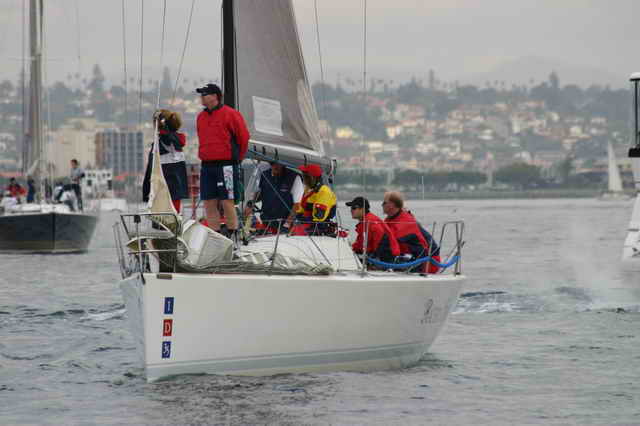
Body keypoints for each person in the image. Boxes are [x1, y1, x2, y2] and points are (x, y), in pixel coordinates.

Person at [195, 83, 250, 239]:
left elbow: (243, 137)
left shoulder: (231, 114)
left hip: (226, 165)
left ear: (215, 96)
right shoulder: (200, 117)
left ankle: (233, 234)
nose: (201, 98)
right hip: (207, 165)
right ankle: (215, 235)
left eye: (204, 94)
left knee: (227, 201)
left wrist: (238, 158)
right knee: (209, 202)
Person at [142, 109, 189, 213]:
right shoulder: (177, 139)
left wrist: (147, 191)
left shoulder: (164, 139)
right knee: (174, 205)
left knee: (165, 207)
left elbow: (151, 168)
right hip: (175, 186)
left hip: (164, 181)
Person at [382, 191, 441, 273]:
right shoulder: (391, 219)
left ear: (392, 205)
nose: (382, 205)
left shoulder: (406, 221)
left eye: (384, 203)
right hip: (413, 258)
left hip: (428, 262)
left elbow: (389, 240)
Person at [244, 161, 304, 233]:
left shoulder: (294, 177)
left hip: (284, 225)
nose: (275, 166)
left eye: (279, 163)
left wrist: (287, 224)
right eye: (272, 163)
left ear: (283, 164)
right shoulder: (264, 175)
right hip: (266, 222)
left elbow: (297, 205)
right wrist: (250, 204)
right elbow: (259, 193)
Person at [347, 196, 400, 264]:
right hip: (382, 255)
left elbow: (379, 242)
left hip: (387, 258)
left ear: (362, 209)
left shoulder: (369, 222)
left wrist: (375, 259)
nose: (351, 210)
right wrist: (351, 249)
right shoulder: (366, 221)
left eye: (354, 208)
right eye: (351, 208)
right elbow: (361, 243)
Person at [293, 163, 337, 235]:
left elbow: (319, 216)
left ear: (314, 178)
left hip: (318, 229)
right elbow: (301, 210)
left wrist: (301, 220)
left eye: (306, 177)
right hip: (305, 226)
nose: (304, 180)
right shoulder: (308, 190)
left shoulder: (324, 192)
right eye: (303, 176)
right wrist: (296, 219)